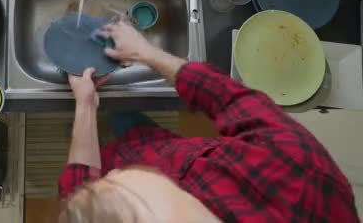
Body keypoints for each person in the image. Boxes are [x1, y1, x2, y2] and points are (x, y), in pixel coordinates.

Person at [58, 21, 359, 222]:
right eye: (125, 177)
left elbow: (81, 189)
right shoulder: (304, 178)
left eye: (113, 177)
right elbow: (232, 100)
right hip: (158, 145)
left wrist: (84, 115)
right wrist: (142, 54)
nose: (117, 170)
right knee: (134, 130)